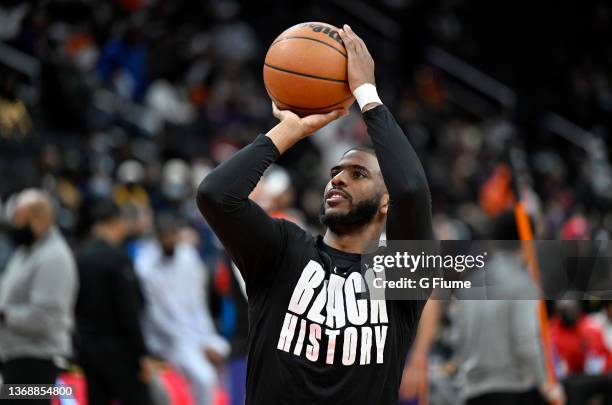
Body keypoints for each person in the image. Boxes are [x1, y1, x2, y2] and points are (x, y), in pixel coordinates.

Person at [197, 25, 433, 404]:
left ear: (386, 202)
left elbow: (410, 188)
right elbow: (215, 195)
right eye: (334, 173)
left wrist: (366, 94)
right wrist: (289, 128)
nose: (337, 180)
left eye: (357, 175)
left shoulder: (398, 277)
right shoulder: (282, 250)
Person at [451, 212, 564, 405]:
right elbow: (526, 342)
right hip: (512, 390)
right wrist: (547, 384)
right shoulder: (523, 284)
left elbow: (459, 338)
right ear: (528, 241)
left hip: (473, 392)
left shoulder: (472, 282)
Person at [135, 214, 229, 405]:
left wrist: (206, 338)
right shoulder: (145, 265)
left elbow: (197, 303)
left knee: (221, 353)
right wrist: (193, 342)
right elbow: (155, 315)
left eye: (173, 235)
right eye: (166, 236)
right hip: (165, 338)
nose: (170, 240)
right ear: (158, 237)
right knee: (204, 377)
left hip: (194, 331)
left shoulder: (188, 256)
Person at [0, 189, 78, 405]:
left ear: (40, 219)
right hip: (16, 359)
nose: (14, 225)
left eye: (19, 219)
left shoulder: (54, 258)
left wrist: (5, 314)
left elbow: (44, 318)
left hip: (37, 363)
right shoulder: (26, 252)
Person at [75, 199, 154, 405]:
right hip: (120, 351)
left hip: (89, 349)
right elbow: (129, 311)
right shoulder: (118, 259)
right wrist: (142, 354)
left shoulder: (80, 257)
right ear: (115, 222)